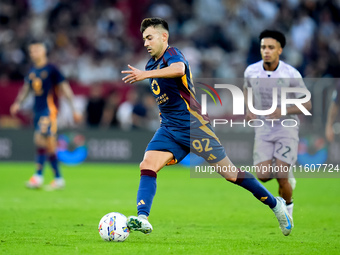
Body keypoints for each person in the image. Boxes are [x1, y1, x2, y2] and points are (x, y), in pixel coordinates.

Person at [121, 18, 293, 236]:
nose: (146, 43)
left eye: (150, 37)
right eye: (143, 38)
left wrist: (145, 75)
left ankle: (275, 204)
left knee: (231, 175)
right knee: (147, 165)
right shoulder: (150, 65)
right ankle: (142, 217)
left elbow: (178, 69)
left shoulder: (172, 54)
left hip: (194, 126)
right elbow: (168, 95)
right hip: (169, 128)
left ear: (164, 37)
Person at [244, 30, 312, 218]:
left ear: (280, 50)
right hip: (263, 129)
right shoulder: (251, 71)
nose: (266, 51)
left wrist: (283, 111)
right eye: (263, 47)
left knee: (282, 177)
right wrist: (249, 109)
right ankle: (286, 173)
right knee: (263, 175)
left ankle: (287, 214)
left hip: (286, 128)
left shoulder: (291, 73)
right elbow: (247, 89)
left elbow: (307, 103)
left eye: (271, 48)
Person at [10, 40, 81, 190]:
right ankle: (58, 178)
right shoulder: (32, 70)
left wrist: (74, 109)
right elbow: (26, 89)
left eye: (35, 50)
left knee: (39, 138)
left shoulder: (52, 69)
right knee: (49, 146)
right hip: (38, 110)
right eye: (31, 51)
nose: (33, 54)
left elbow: (65, 88)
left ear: (43, 51)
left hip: (49, 111)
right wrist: (18, 103)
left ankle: (38, 176)